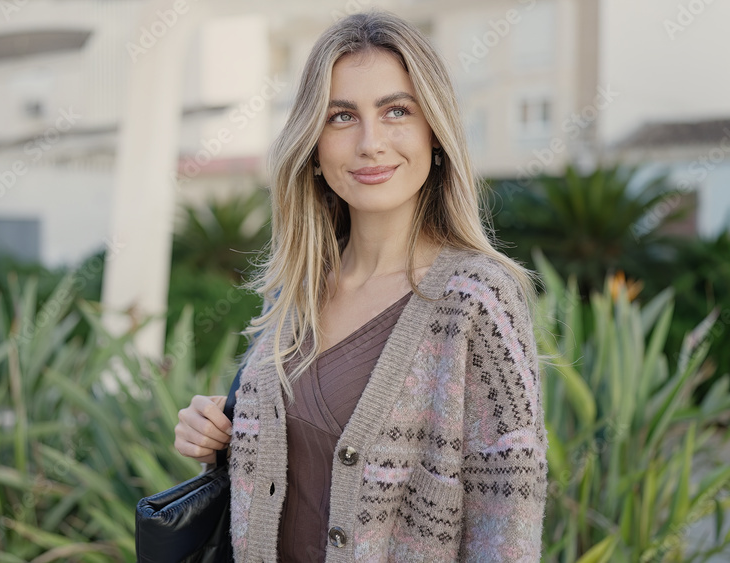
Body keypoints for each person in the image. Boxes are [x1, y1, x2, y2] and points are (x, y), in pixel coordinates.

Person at [174, 10, 548, 562]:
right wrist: (218, 434)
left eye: (397, 111)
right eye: (342, 116)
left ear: (435, 135)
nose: (371, 143)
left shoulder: (478, 301)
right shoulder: (294, 291)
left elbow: (507, 527)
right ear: (315, 147)